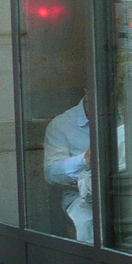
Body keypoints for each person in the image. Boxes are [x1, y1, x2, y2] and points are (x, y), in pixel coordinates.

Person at [44, 95, 93, 242]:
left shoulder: (126, 116)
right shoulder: (62, 124)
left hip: (128, 190)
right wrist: (85, 159)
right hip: (80, 195)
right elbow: (51, 173)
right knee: (88, 222)